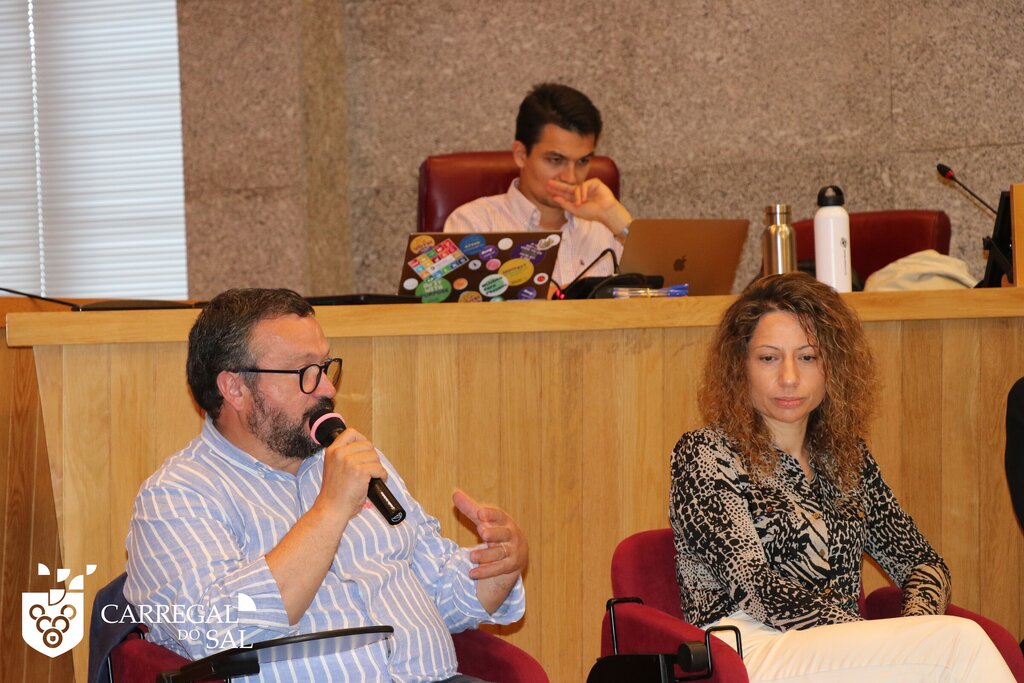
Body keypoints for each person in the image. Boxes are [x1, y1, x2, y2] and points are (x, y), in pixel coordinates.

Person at [125, 288, 527, 682]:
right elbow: (212, 632)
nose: (327, 389)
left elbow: (439, 592)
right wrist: (330, 510)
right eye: (305, 372)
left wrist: (499, 567)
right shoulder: (176, 496)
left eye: (325, 366)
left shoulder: (352, 460)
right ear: (235, 388)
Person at [669, 272, 1014, 682]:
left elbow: (923, 562)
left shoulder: (846, 458)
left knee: (949, 643)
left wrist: (915, 627)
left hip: (842, 650)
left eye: (808, 357)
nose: (789, 377)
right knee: (959, 641)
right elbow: (755, 586)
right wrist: (886, 637)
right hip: (746, 648)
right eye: (768, 358)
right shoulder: (705, 453)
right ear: (739, 366)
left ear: (833, 366)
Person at [443, 82, 632, 287]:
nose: (571, 178)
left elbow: (656, 291)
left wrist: (615, 218)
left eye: (583, 161)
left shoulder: (607, 227)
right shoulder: (473, 225)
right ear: (521, 155)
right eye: (556, 160)